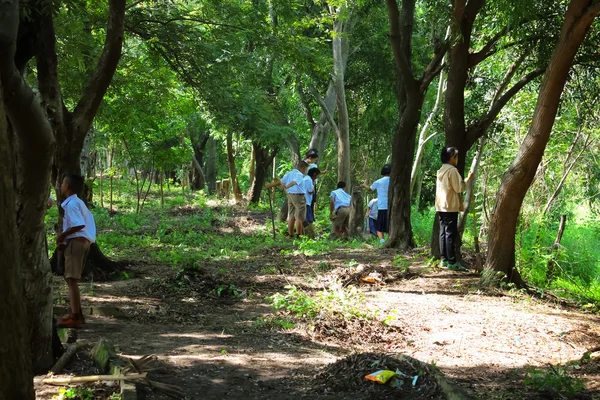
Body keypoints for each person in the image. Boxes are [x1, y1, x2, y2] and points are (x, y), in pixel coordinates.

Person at [56, 175, 97, 328]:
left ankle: (75, 317)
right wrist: (64, 242)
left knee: (72, 279)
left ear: (67, 186)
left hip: (77, 242)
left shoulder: (72, 203)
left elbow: (78, 225)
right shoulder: (76, 202)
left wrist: (62, 235)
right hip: (80, 242)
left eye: (62, 182)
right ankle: (77, 313)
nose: (60, 185)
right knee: (71, 279)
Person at [435, 147, 473, 271]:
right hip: (450, 205)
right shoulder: (452, 171)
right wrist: (468, 179)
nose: (457, 160)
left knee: (443, 232)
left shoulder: (441, 170)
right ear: (452, 158)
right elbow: (459, 188)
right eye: (456, 157)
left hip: (441, 205)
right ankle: (452, 261)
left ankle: (444, 259)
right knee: (450, 233)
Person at [267, 161, 309, 237]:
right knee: (299, 216)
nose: (305, 171)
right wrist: (287, 186)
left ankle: (291, 235)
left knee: (291, 216)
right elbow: (294, 182)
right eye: (306, 169)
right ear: (302, 168)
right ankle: (299, 235)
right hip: (298, 197)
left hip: (290, 196)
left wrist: (270, 185)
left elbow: (280, 182)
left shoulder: (289, 173)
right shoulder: (299, 174)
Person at [361, 164, 391, 243]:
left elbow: (370, 189)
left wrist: (364, 185)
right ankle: (390, 239)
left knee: (379, 227)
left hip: (382, 207)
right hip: (392, 207)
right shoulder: (394, 181)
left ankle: (382, 241)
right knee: (391, 225)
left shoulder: (378, 182)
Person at [302, 168, 321, 238]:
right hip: (306, 201)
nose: (316, 178)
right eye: (317, 176)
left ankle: (307, 235)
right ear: (314, 174)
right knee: (309, 219)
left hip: (305, 201)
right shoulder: (309, 180)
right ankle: (309, 235)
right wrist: (313, 186)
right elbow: (310, 190)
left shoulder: (305, 179)